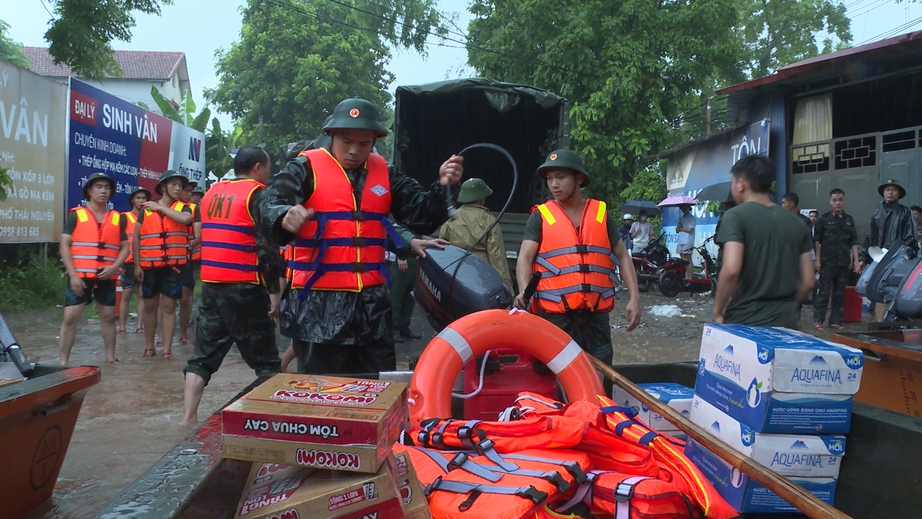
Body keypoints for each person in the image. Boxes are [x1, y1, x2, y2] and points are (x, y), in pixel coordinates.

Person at [261, 97, 463, 375]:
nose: (355, 151)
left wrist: (444, 187)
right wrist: (283, 214)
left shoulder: (385, 173)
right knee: (322, 393)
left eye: (364, 144)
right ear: (330, 135)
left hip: (372, 307)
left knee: (379, 392)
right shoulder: (304, 168)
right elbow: (269, 203)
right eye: (346, 141)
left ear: (373, 141)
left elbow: (421, 213)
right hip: (319, 307)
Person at [182, 145, 282, 424]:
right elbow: (266, 248)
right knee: (268, 365)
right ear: (258, 168)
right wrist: (274, 292)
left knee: (201, 359)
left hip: (211, 286)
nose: (270, 172)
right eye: (269, 166)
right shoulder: (258, 194)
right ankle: (268, 421)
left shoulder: (211, 192)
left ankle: (186, 419)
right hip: (245, 288)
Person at [514, 149, 640, 365]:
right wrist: (525, 293)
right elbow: (525, 258)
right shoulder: (540, 216)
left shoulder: (601, 214)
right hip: (556, 315)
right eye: (550, 178)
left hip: (595, 315)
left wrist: (635, 298)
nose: (554, 184)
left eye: (560, 177)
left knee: (601, 374)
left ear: (578, 179)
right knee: (559, 375)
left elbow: (623, 256)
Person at [713, 156, 814, 327]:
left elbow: (731, 270)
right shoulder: (798, 223)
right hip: (786, 321)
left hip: (745, 320)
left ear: (740, 184)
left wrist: (718, 311)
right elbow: (808, 282)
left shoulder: (735, 216)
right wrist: (785, 307)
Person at [58, 173, 129, 364]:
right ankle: (63, 361)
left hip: (107, 275)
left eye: (107, 187)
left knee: (108, 316)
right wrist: (72, 275)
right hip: (79, 275)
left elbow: (125, 247)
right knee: (71, 317)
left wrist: (114, 266)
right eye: (98, 186)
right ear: (89, 190)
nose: (103, 191)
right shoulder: (76, 215)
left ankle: (110, 357)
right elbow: (64, 244)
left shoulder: (117, 218)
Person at [134, 170, 193, 360]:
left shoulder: (185, 208)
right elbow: (136, 238)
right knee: (150, 306)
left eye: (180, 185)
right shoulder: (145, 209)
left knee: (168, 306)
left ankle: (167, 349)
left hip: (174, 266)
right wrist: (137, 265)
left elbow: (186, 220)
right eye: (173, 184)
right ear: (163, 187)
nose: (178, 188)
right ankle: (149, 347)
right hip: (150, 264)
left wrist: (160, 209)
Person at [858, 179, 920, 321]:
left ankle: (893, 322)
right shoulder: (877, 214)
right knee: (878, 290)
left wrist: (907, 253)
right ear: (883, 193)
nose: (890, 192)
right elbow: (870, 238)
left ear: (899, 193)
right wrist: (863, 258)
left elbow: (910, 236)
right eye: (888, 189)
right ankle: (880, 322)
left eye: (894, 190)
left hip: (898, 259)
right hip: (878, 257)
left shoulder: (905, 212)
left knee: (894, 290)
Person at [438, 177, 513, 288]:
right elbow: (497, 256)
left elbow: (442, 249)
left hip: (456, 273)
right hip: (482, 275)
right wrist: (507, 287)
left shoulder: (451, 219)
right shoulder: (489, 219)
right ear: (481, 198)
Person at [812, 188, 859, 331]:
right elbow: (817, 241)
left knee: (840, 293)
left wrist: (856, 260)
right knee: (824, 292)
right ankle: (818, 320)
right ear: (830, 201)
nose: (837, 203)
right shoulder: (824, 219)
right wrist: (817, 260)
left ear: (844, 201)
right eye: (834, 200)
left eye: (840, 200)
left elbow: (854, 242)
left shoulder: (849, 220)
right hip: (827, 261)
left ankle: (835, 321)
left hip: (843, 262)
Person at [118, 186, 149, 334]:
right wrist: (119, 262)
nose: (141, 201)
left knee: (142, 294)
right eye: (138, 198)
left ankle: (139, 326)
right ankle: (122, 327)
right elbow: (118, 240)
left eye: (143, 198)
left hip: (144, 261)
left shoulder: (149, 217)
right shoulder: (124, 217)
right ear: (132, 200)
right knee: (127, 294)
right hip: (128, 262)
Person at [178, 181, 201, 346]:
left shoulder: (194, 210)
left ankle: (183, 333)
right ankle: (160, 342)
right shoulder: (161, 208)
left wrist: (186, 248)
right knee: (164, 300)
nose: (190, 195)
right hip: (165, 260)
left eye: (192, 192)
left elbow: (198, 235)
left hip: (188, 259)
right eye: (187, 191)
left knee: (186, 296)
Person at [675, 204, 696, 279]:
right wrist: (679, 224)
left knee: (688, 259)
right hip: (681, 240)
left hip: (688, 240)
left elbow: (690, 230)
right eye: (682, 208)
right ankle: (684, 276)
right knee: (683, 259)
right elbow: (677, 230)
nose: (683, 209)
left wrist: (681, 229)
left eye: (685, 208)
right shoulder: (681, 218)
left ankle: (689, 277)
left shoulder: (692, 218)